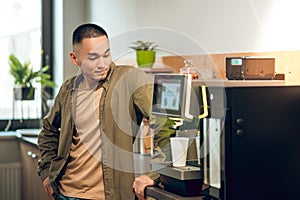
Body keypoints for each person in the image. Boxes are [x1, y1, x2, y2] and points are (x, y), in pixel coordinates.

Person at [37, 23, 157, 200]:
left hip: (107, 196)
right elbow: (48, 130)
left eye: (106, 54)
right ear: (74, 58)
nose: (102, 64)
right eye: (93, 57)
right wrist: (47, 171)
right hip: (64, 193)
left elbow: (167, 121)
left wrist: (155, 175)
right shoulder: (68, 89)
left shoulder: (129, 79)